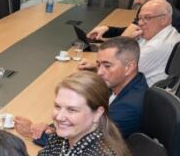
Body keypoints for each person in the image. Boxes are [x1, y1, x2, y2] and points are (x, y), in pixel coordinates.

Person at [19, 37, 148, 141]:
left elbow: (86, 142)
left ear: (129, 67)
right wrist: (50, 127)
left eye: (107, 66)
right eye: (99, 65)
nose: (100, 72)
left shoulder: (129, 107)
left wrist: (34, 132)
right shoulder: (120, 84)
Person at [83, 0, 180, 87]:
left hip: (139, 92)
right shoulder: (170, 32)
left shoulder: (156, 46)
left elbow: (118, 75)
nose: (140, 23)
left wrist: (94, 70)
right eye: (140, 18)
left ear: (163, 19)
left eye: (147, 18)